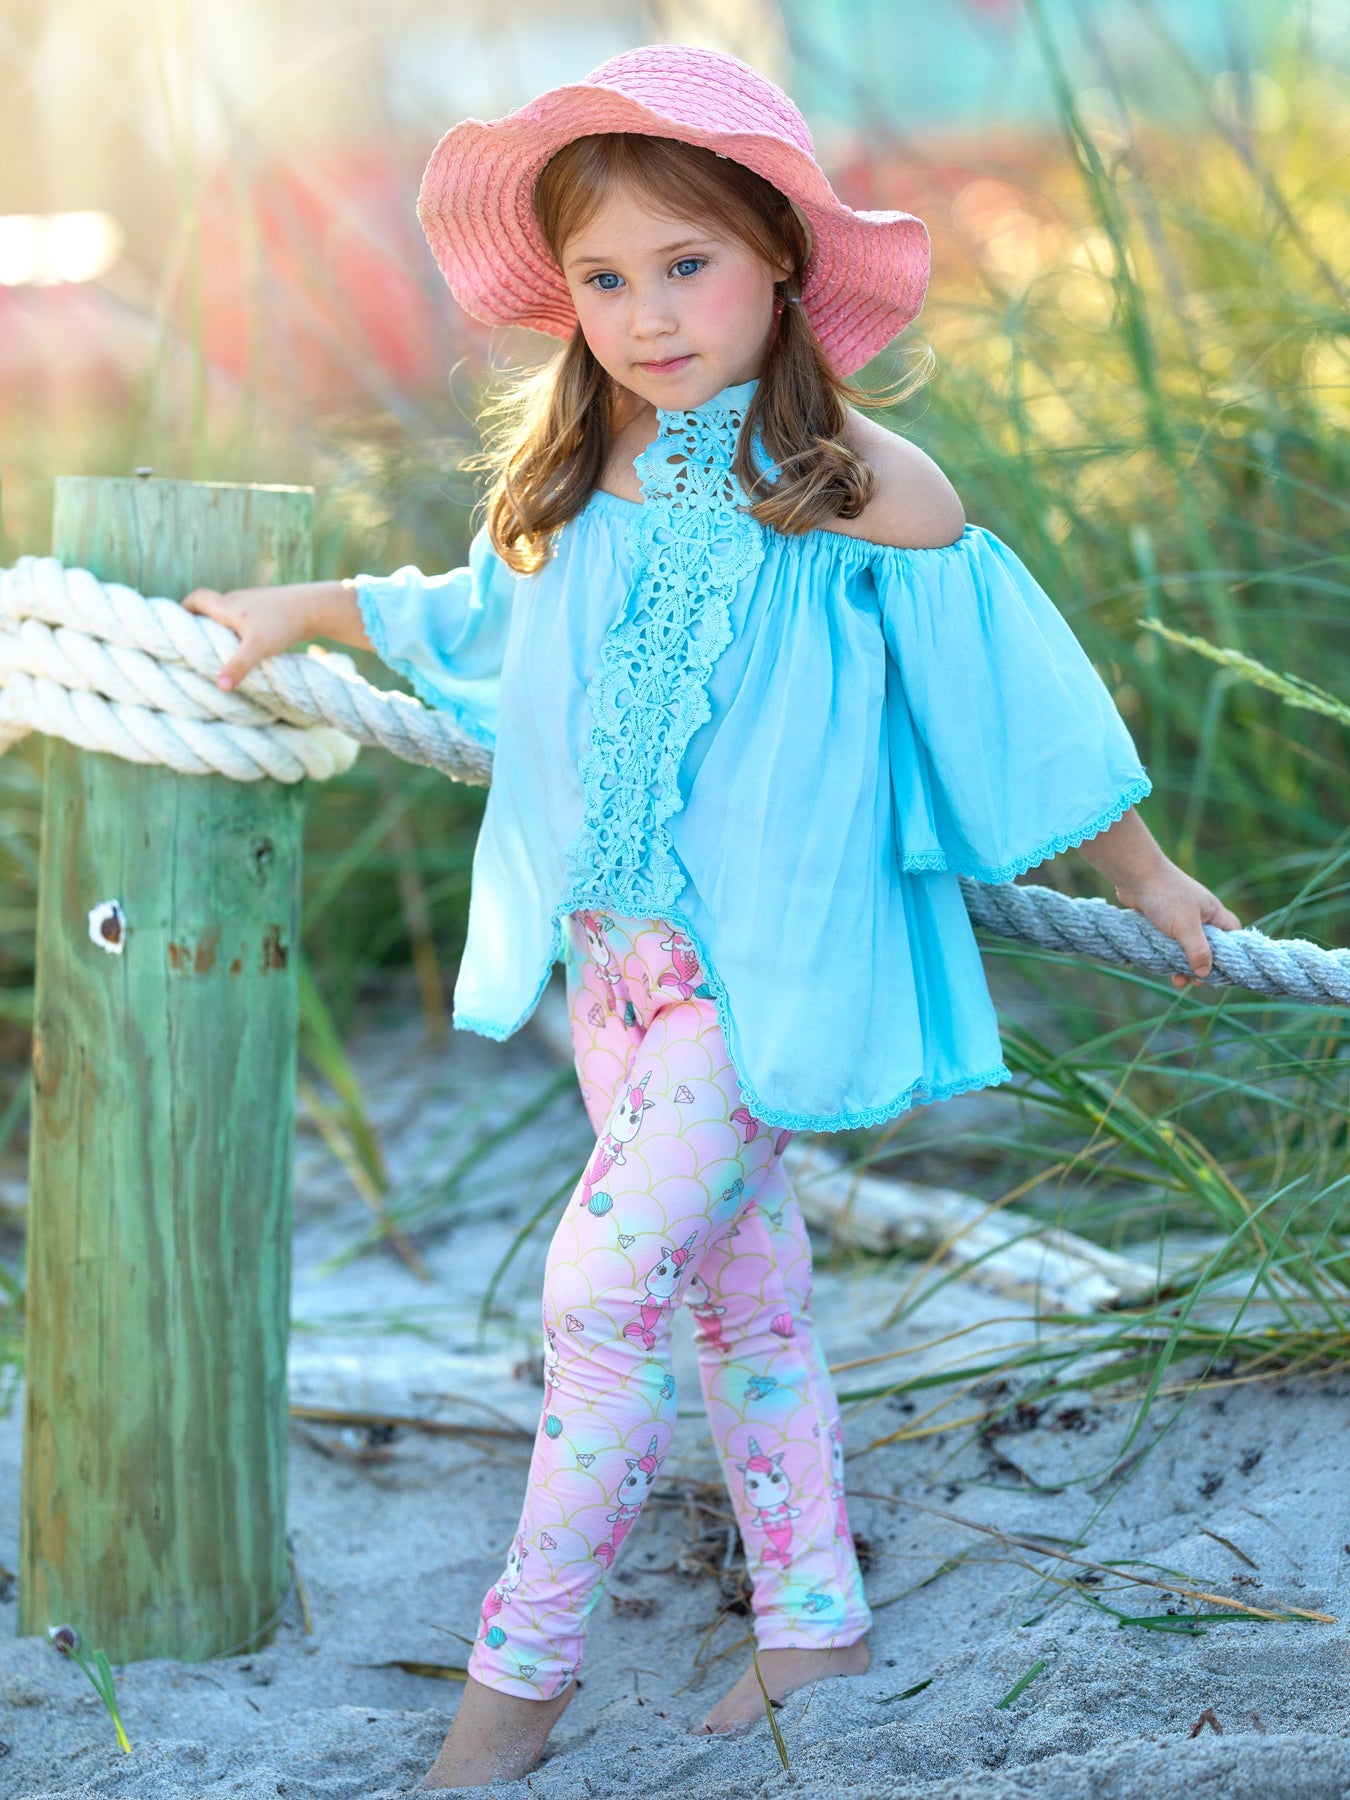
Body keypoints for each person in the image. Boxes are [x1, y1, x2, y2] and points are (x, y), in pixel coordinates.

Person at [182, 44, 1241, 1790]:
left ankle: (515, 1687)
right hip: (613, 974)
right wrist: (307, 605)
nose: (647, 313)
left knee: (597, 1296)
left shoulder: (859, 489)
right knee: (738, 1305)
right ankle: (812, 1629)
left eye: (686, 264)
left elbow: (1006, 696)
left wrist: (1142, 877)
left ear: (777, 261)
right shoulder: (586, 470)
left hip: (756, 979)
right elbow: (481, 615)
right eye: (603, 278)